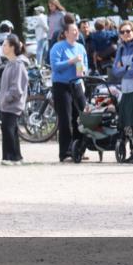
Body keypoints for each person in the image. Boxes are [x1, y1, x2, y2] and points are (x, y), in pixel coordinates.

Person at [49, 19, 88, 162]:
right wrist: (71, 61)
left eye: (77, 30)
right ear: (66, 33)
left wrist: (83, 70)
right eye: (73, 30)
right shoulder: (58, 47)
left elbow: (85, 65)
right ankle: (65, 152)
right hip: (62, 86)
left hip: (77, 84)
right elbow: (56, 67)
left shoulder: (81, 48)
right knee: (65, 119)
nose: (76, 32)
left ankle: (79, 150)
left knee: (82, 117)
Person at [112, 21, 133, 163]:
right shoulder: (120, 49)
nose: (125, 34)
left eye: (128, 31)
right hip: (126, 89)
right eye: (122, 32)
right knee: (132, 123)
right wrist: (126, 68)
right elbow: (115, 71)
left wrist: (123, 68)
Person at [0, 34, 28, 165]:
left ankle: (10, 157)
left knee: (8, 128)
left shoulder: (18, 65)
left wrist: (6, 98)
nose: (2, 47)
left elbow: (16, 88)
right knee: (11, 129)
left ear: (12, 47)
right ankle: (16, 157)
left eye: (5, 45)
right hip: (7, 104)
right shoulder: (10, 64)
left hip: (12, 104)